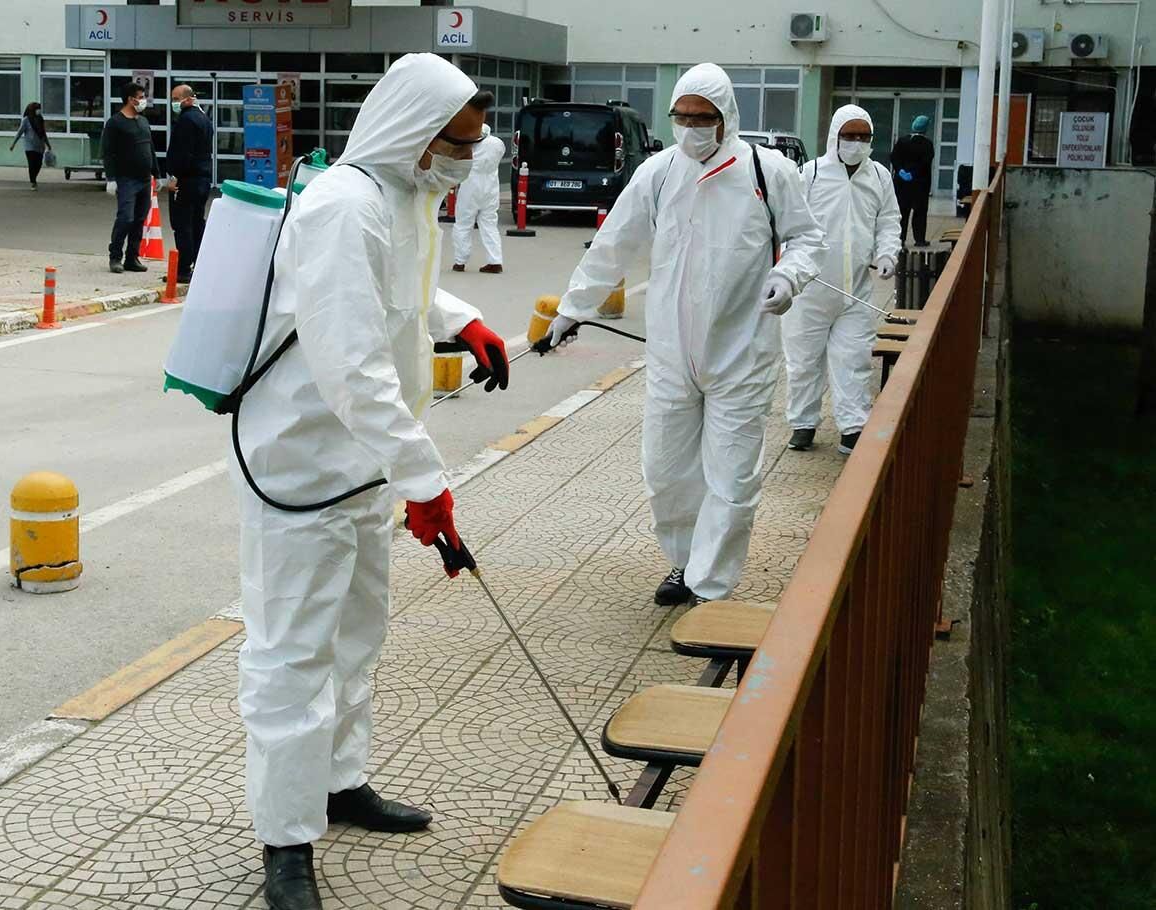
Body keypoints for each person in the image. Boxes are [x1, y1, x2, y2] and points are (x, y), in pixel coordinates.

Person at [232, 54, 508, 910]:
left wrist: (463, 320)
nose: (465, 158)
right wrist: (424, 478)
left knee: (357, 635)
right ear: (414, 132)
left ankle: (339, 782)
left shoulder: (403, 196)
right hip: (304, 468)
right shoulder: (342, 205)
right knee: (291, 655)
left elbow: (402, 294)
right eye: (456, 143)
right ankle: (286, 840)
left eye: (473, 144)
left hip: (364, 468)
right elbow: (351, 359)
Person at [545, 64, 825, 608]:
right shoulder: (658, 173)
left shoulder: (766, 171)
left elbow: (807, 238)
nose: (692, 127)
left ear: (727, 117)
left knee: (732, 477)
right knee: (666, 470)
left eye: (704, 117)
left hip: (741, 352)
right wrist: (572, 309)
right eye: (683, 117)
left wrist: (788, 276)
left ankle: (710, 587)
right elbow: (613, 244)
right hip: (672, 353)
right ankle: (685, 560)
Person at [783, 104, 901, 457]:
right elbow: (790, 223)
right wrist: (790, 268)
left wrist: (887, 254)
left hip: (856, 292)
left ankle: (853, 428)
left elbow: (889, 220)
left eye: (864, 137)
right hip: (811, 289)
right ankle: (803, 423)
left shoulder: (878, 176)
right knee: (804, 361)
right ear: (835, 136)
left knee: (854, 360)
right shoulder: (811, 174)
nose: (856, 143)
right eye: (850, 136)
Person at [100, 83, 155, 274]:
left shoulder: (143, 121)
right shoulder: (115, 123)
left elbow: (150, 148)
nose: (143, 100)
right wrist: (111, 178)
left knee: (139, 219)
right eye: (141, 97)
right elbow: (108, 152)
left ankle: (132, 258)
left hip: (144, 179)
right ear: (131, 99)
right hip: (126, 179)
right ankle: (115, 256)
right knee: (126, 218)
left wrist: (157, 174)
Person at [165, 84, 214, 285]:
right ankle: (199, 265)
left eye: (176, 99)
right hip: (202, 179)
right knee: (197, 222)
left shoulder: (186, 120)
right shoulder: (203, 118)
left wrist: (175, 176)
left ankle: (184, 268)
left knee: (182, 224)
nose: (173, 103)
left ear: (187, 98)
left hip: (187, 179)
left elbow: (183, 153)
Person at [451, 123, 506, 274]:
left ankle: (460, 261)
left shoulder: (469, 145)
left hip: (470, 183)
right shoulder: (498, 143)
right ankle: (495, 261)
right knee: (489, 224)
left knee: (463, 223)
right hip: (491, 185)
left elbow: (457, 159)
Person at [891, 114, 935, 247]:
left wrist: (901, 171)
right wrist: (914, 173)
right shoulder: (927, 144)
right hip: (920, 184)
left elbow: (894, 158)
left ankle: (900, 239)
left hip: (902, 184)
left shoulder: (902, 141)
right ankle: (919, 239)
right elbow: (925, 163)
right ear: (926, 128)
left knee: (902, 212)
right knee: (920, 212)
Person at [9, 102, 52, 190]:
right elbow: (19, 132)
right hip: (29, 147)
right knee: (32, 164)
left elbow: (43, 133)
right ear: (32, 110)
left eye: (39, 109)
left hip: (40, 147)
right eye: (37, 109)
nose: (39, 111)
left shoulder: (40, 119)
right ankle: (33, 182)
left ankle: (33, 178)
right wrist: (13, 144)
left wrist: (48, 144)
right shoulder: (26, 120)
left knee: (38, 164)